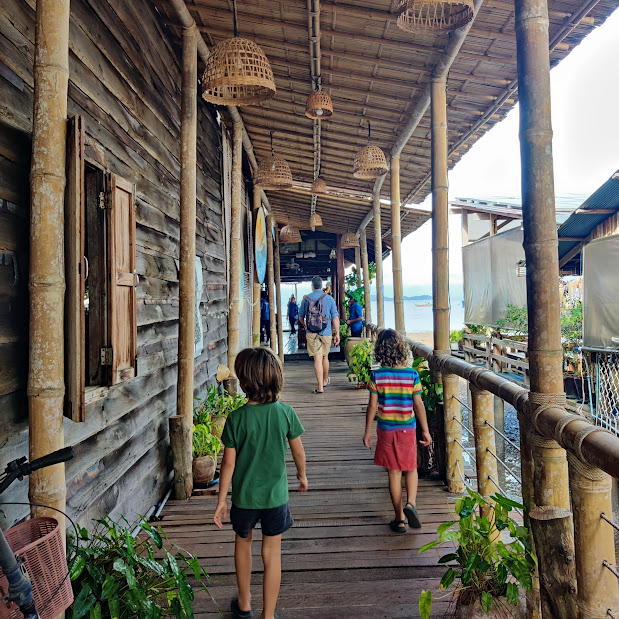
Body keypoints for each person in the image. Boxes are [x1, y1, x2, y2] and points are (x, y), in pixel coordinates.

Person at [214, 347, 308, 619]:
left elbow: (227, 464)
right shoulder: (285, 412)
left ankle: (244, 603)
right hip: (275, 499)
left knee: (243, 543)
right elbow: (298, 451)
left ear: (244, 382)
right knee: (272, 553)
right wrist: (301, 475)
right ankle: (268, 614)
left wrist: (221, 501)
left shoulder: (236, 419)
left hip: (244, 498)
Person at [362, 329, 432, 534]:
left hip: (386, 429)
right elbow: (418, 404)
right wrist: (425, 430)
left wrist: (367, 432)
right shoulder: (412, 375)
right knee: (411, 468)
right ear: (402, 350)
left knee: (393, 473)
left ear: (379, 351)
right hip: (407, 429)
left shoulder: (377, 375)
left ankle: (399, 519)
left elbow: (372, 406)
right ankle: (411, 503)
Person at [298, 276, 340, 394]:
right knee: (325, 357)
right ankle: (325, 380)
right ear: (321, 286)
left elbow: (301, 317)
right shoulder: (329, 299)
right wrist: (337, 333)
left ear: (312, 286)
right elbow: (335, 318)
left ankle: (320, 387)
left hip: (311, 332)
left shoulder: (306, 299)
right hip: (326, 332)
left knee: (317, 358)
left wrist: (306, 326)